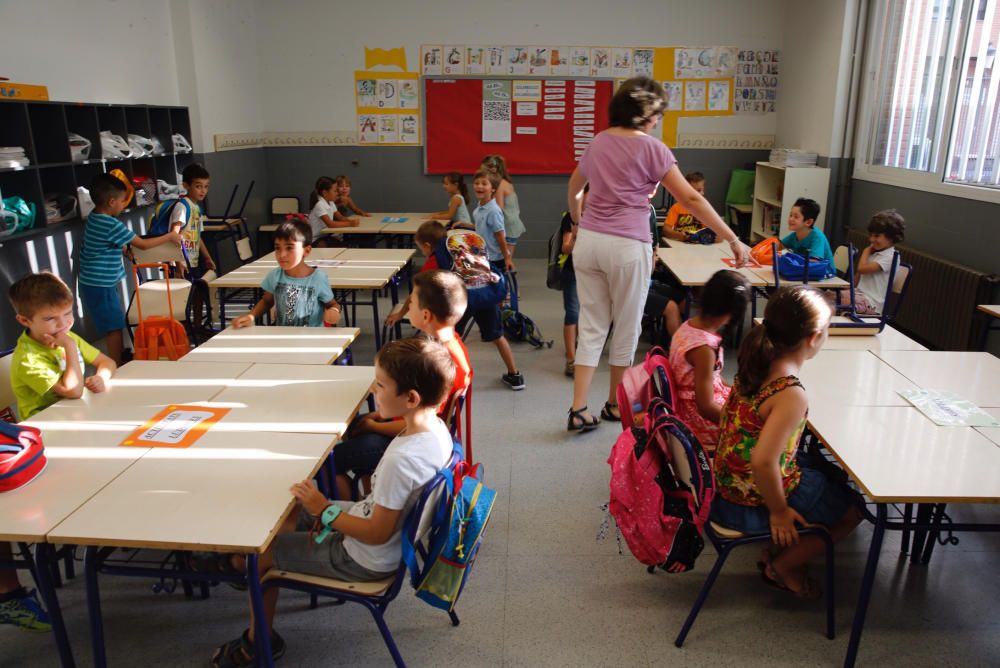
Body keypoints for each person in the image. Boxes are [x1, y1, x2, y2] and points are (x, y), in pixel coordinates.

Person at [209, 337, 456, 667]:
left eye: (380, 385)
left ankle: (259, 641)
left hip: (365, 558)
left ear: (410, 398)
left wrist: (323, 509)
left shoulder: (403, 460)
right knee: (287, 509)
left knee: (262, 558)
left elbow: (376, 533)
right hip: (376, 535)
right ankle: (235, 563)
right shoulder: (435, 430)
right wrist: (320, 509)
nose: (372, 390)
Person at [565, 76, 748, 432]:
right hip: (626, 246)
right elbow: (691, 199)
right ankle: (615, 406)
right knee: (627, 328)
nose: (658, 120)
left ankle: (577, 408)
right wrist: (732, 238)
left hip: (590, 243)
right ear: (646, 113)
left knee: (592, 326)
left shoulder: (598, 142)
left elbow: (574, 187)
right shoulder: (653, 149)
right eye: (657, 113)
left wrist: (578, 220)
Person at [712, 285, 861, 598]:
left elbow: (731, 420)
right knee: (854, 510)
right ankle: (784, 565)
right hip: (749, 497)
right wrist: (779, 512)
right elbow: (764, 462)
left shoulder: (756, 363)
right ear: (814, 337)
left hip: (728, 481)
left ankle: (776, 550)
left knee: (825, 471)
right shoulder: (790, 393)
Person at [335, 270, 472, 499]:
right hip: (416, 427)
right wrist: (376, 418)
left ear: (426, 315)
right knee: (357, 424)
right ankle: (374, 492)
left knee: (334, 458)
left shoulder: (433, 362)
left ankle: (354, 511)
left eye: (412, 303)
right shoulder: (446, 346)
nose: (406, 307)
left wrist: (374, 426)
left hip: (413, 437)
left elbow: (418, 421)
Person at [78, 173, 182, 363]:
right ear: (111, 202)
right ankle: (115, 364)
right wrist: (169, 236)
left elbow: (105, 243)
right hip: (101, 284)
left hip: (95, 282)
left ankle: (119, 357)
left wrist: (123, 247)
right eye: (121, 201)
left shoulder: (95, 217)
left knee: (114, 323)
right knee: (114, 327)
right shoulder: (110, 223)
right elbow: (142, 244)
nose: (123, 205)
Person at [8, 271, 117, 420]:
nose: (63, 323)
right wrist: (69, 346)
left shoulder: (65, 336)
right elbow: (73, 391)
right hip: (46, 425)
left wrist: (101, 378)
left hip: (76, 411)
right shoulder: (28, 358)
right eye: (50, 318)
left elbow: (107, 362)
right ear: (24, 321)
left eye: (67, 313)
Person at [667, 270, 750, 453]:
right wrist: (740, 428)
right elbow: (705, 407)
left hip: (688, 406)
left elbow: (711, 381)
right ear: (732, 314)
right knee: (758, 425)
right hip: (697, 420)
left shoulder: (687, 326)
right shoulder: (704, 349)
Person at [460, 169, 524, 390]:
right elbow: (480, 232)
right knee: (485, 328)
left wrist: (507, 257)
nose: (479, 186)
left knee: (492, 328)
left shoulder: (493, 211)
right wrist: (463, 227)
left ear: (493, 189)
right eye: (477, 183)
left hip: (491, 265)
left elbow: (499, 235)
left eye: (484, 184)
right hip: (478, 264)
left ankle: (515, 374)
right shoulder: (479, 209)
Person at [230, 219, 341, 328]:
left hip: (311, 341)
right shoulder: (274, 276)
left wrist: (334, 312)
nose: (282, 254)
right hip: (283, 338)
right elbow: (266, 302)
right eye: (278, 248)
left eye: (289, 248)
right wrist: (251, 316)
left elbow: (332, 304)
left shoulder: (318, 278)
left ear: (306, 251)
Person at [171, 163, 217, 333]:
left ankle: (197, 327)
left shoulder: (196, 208)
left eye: (206, 186)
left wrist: (207, 257)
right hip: (183, 262)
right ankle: (182, 332)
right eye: (198, 186)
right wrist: (178, 263)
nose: (203, 190)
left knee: (199, 294)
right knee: (183, 299)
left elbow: (198, 236)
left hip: (194, 260)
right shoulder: (182, 207)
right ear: (186, 185)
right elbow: (173, 236)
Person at [840, 209, 905, 315]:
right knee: (828, 296)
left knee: (834, 303)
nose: (871, 239)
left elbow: (862, 269)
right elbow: (859, 275)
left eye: (876, 236)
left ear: (891, 237)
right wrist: (847, 290)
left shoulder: (891, 257)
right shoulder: (875, 253)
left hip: (871, 304)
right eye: (871, 235)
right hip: (859, 296)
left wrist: (866, 251)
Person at [385, 221, 446, 329]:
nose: (422, 252)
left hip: (441, 312)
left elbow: (415, 295)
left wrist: (400, 315)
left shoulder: (430, 266)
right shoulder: (451, 254)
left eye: (421, 248)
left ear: (427, 246)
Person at [558, 187, 586, 378]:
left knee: (590, 314)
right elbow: (566, 248)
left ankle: (583, 350)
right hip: (573, 271)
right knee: (573, 312)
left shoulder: (605, 217)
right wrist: (576, 235)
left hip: (596, 273)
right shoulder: (570, 218)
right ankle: (571, 359)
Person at [481, 155, 526, 256]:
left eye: (483, 172)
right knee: (504, 258)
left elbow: (498, 208)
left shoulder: (500, 184)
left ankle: (508, 271)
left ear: (492, 170)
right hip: (509, 225)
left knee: (505, 259)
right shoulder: (504, 182)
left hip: (508, 227)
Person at [661, 171, 716, 244]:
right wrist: (678, 235)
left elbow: (716, 233)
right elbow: (666, 230)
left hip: (700, 247)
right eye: (692, 190)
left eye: (699, 190)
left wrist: (709, 237)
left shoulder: (705, 208)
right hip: (680, 245)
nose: (697, 194)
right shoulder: (677, 207)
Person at [779, 198, 834, 267]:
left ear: (808, 222)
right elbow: (779, 245)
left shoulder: (817, 237)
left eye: (796, 217)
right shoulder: (795, 235)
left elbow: (814, 263)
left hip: (825, 275)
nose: (790, 219)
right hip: (803, 273)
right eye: (790, 215)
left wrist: (788, 256)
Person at [307, 175, 360, 245]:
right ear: (325, 193)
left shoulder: (331, 202)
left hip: (325, 236)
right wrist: (350, 224)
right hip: (315, 239)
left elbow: (340, 217)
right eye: (335, 191)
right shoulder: (319, 205)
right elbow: (330, 224)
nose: (337, 193)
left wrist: (352, 221)